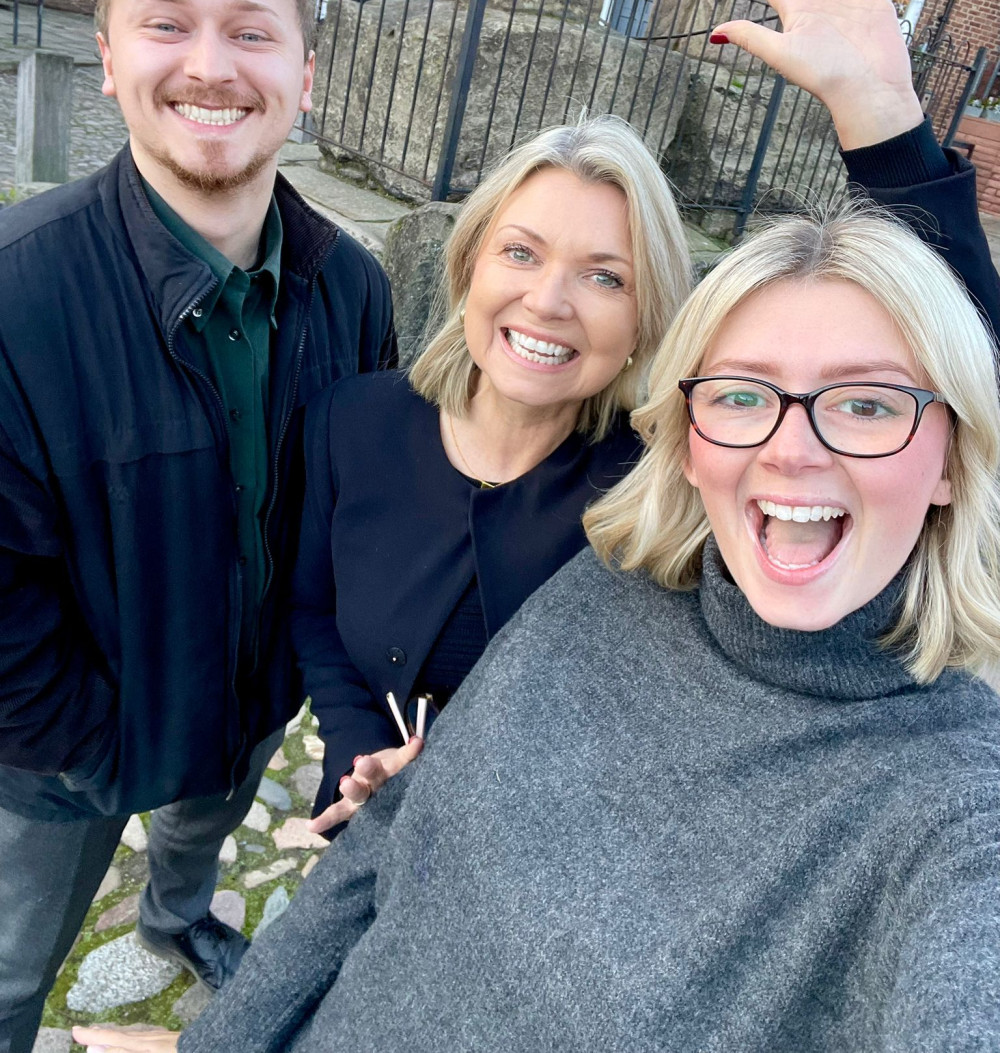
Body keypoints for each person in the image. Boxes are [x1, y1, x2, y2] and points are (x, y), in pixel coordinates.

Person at [76, 204, 1000, 1052]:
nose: (791, 449)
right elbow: (387, 833)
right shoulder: (612, 579)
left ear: (955, 454)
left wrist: (890, 129)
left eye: (869, 404)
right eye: (744, 394)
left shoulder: (952, 810)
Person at [292, 0, 1000, 838]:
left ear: (646, 321)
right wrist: (354, 759)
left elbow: (962, 385)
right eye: (520, 252)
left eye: (605, 276)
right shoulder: (351, 423)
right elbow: (316, 612)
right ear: (468, 266)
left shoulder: (667, 490)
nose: (547, 302)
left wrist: (886, 125)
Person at [0, 0, 394, 1053]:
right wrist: (87, 745)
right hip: (60, 749)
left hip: (247, 703)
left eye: (252, 32)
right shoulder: (18, 290)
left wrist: (309, 692)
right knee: (12, 964)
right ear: (110, 57)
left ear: (305, 76)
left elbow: (354, 515)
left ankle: (175, 919)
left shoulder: (355, 287)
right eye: (167, 23)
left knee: (196, 840)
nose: (212, 65)